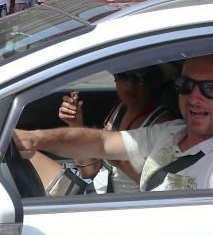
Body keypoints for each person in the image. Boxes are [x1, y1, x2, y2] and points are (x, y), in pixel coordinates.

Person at [14, 44, 213, 192]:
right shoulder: (170, 131)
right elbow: (101, 143)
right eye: (186, 86)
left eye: (211, 89)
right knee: (13, 147)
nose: (194, 97)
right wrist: (37, 138)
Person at [57, 66, 173, 194]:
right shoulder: (120, 107)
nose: (130, 84)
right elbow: (88, 171)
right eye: (123, 75)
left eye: (140, 78)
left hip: (119, 206)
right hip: (93, 191)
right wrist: (75, 125)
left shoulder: (163, 124)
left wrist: (120, 162)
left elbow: (163, 188)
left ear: (154, 82)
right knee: (31, 150)